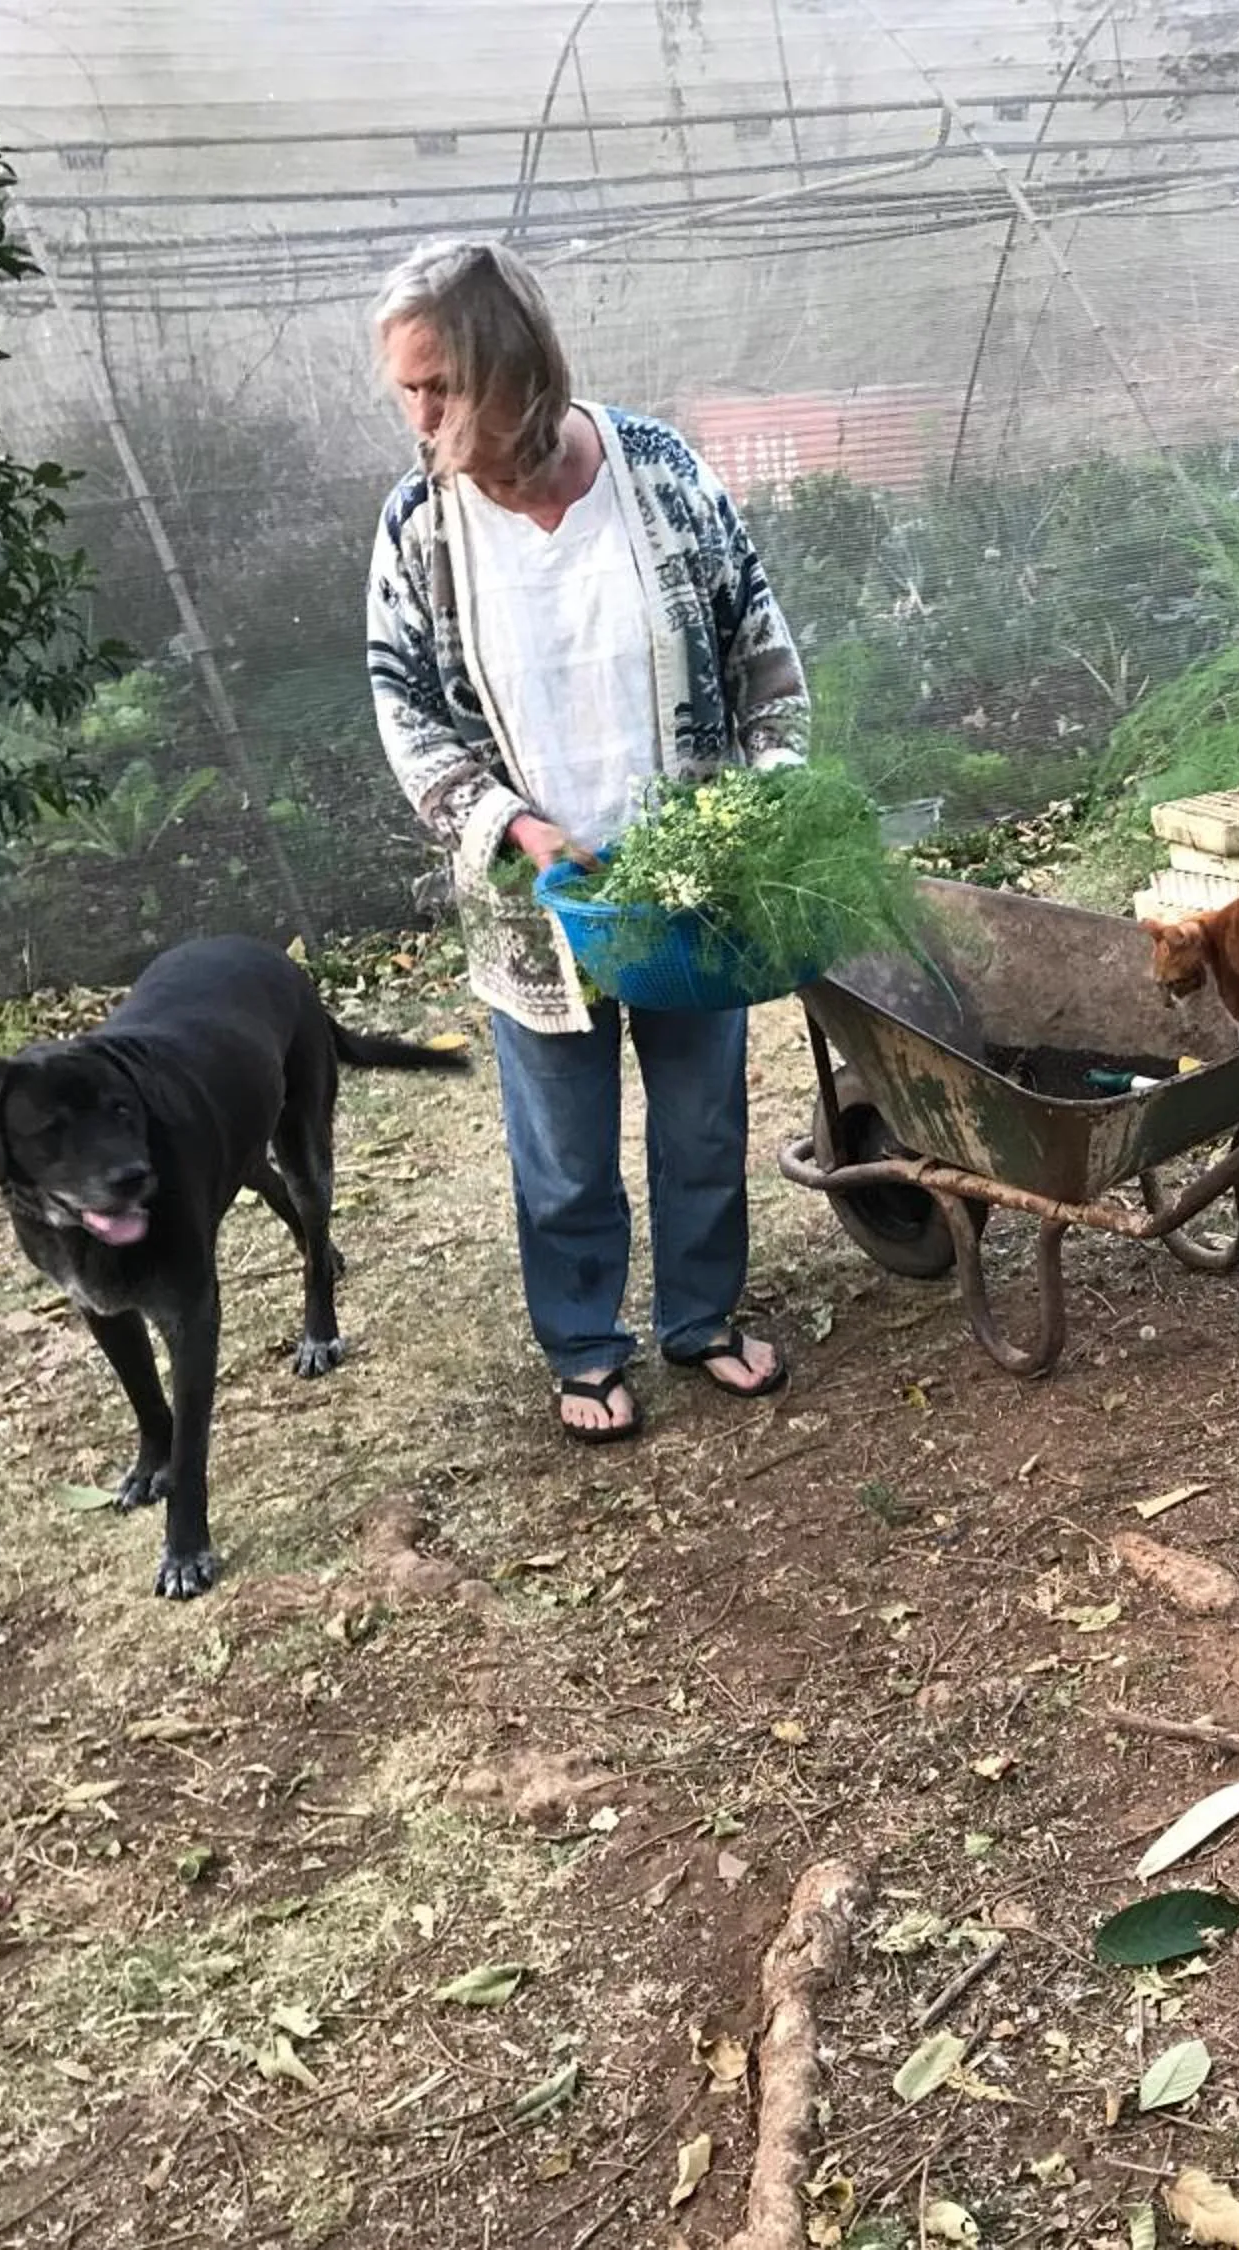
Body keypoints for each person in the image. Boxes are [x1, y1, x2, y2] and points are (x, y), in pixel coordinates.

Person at [363, 237, 798, 1442]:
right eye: (406, 389)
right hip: (536, 897)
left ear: (513, 369)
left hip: (688, 881)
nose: (420, 417)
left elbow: (760, 647)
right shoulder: (421, 525)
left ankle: (701, 1318)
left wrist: (768, 796)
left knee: (702, 1119)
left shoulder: (655, 468)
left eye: (441, 386)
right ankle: (585, 1344)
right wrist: (512, 825)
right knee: (562, 1147)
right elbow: (405, 707)